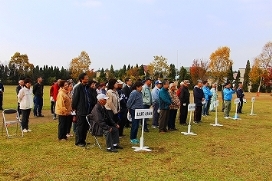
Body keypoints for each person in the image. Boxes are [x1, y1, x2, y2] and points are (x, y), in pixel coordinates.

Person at [72, 73, 92, 147]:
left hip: (87, 110)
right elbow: (75, 99)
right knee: (80, 126)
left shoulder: (86, 87)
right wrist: (74, 108)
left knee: (85, 127)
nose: (87, 79)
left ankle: (83, 140)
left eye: (87, 77)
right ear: (82, 79)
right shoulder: (78, 87)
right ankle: (78, 141)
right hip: (81, 110)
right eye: (86, 78)